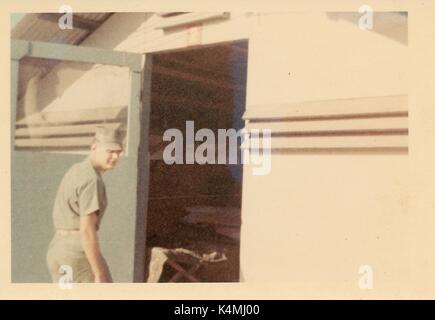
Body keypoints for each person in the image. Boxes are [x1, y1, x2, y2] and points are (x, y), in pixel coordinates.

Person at [46, 126, 123, 283]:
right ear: (94, 147)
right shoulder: (91, 179)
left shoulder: (77, 170)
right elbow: (87, 230)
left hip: (58, 251)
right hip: (77, 254)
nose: (115, 156)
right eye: (110, 151)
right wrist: (99, 273)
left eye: (118, 152)